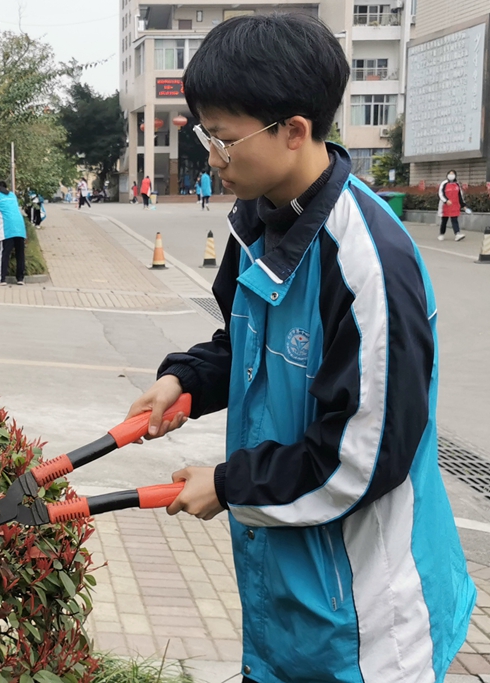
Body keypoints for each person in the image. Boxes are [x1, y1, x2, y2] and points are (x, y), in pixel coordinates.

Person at [126, 14, 474, 683]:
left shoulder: (369, 265)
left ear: (294, 131)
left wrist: (228, 484)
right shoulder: (258, 220)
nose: (211, 158)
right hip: (289, 604)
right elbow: (250, 345)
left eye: (224, 139)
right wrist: (187, 381)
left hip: (368, 628)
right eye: (205, 136)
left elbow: (364, 455)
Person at [0, 180, 27, 286]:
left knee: (4, 254)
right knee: (20, 254)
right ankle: (20, 279)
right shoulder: (13, 195)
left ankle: (1, 279)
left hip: (7, 229)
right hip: (20, 228)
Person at [437, 170, 467, 242]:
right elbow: (441, 193)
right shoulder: (444, 183)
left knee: (454, 220)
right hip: (445, 206)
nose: (451, 175)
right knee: (444, 220)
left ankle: (457, 234)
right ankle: (441, 234)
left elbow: (460, 196)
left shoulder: (457, 184)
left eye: (453, 174)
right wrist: (446, 200)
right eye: (450, 174)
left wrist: (463, 205)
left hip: (454, 205)